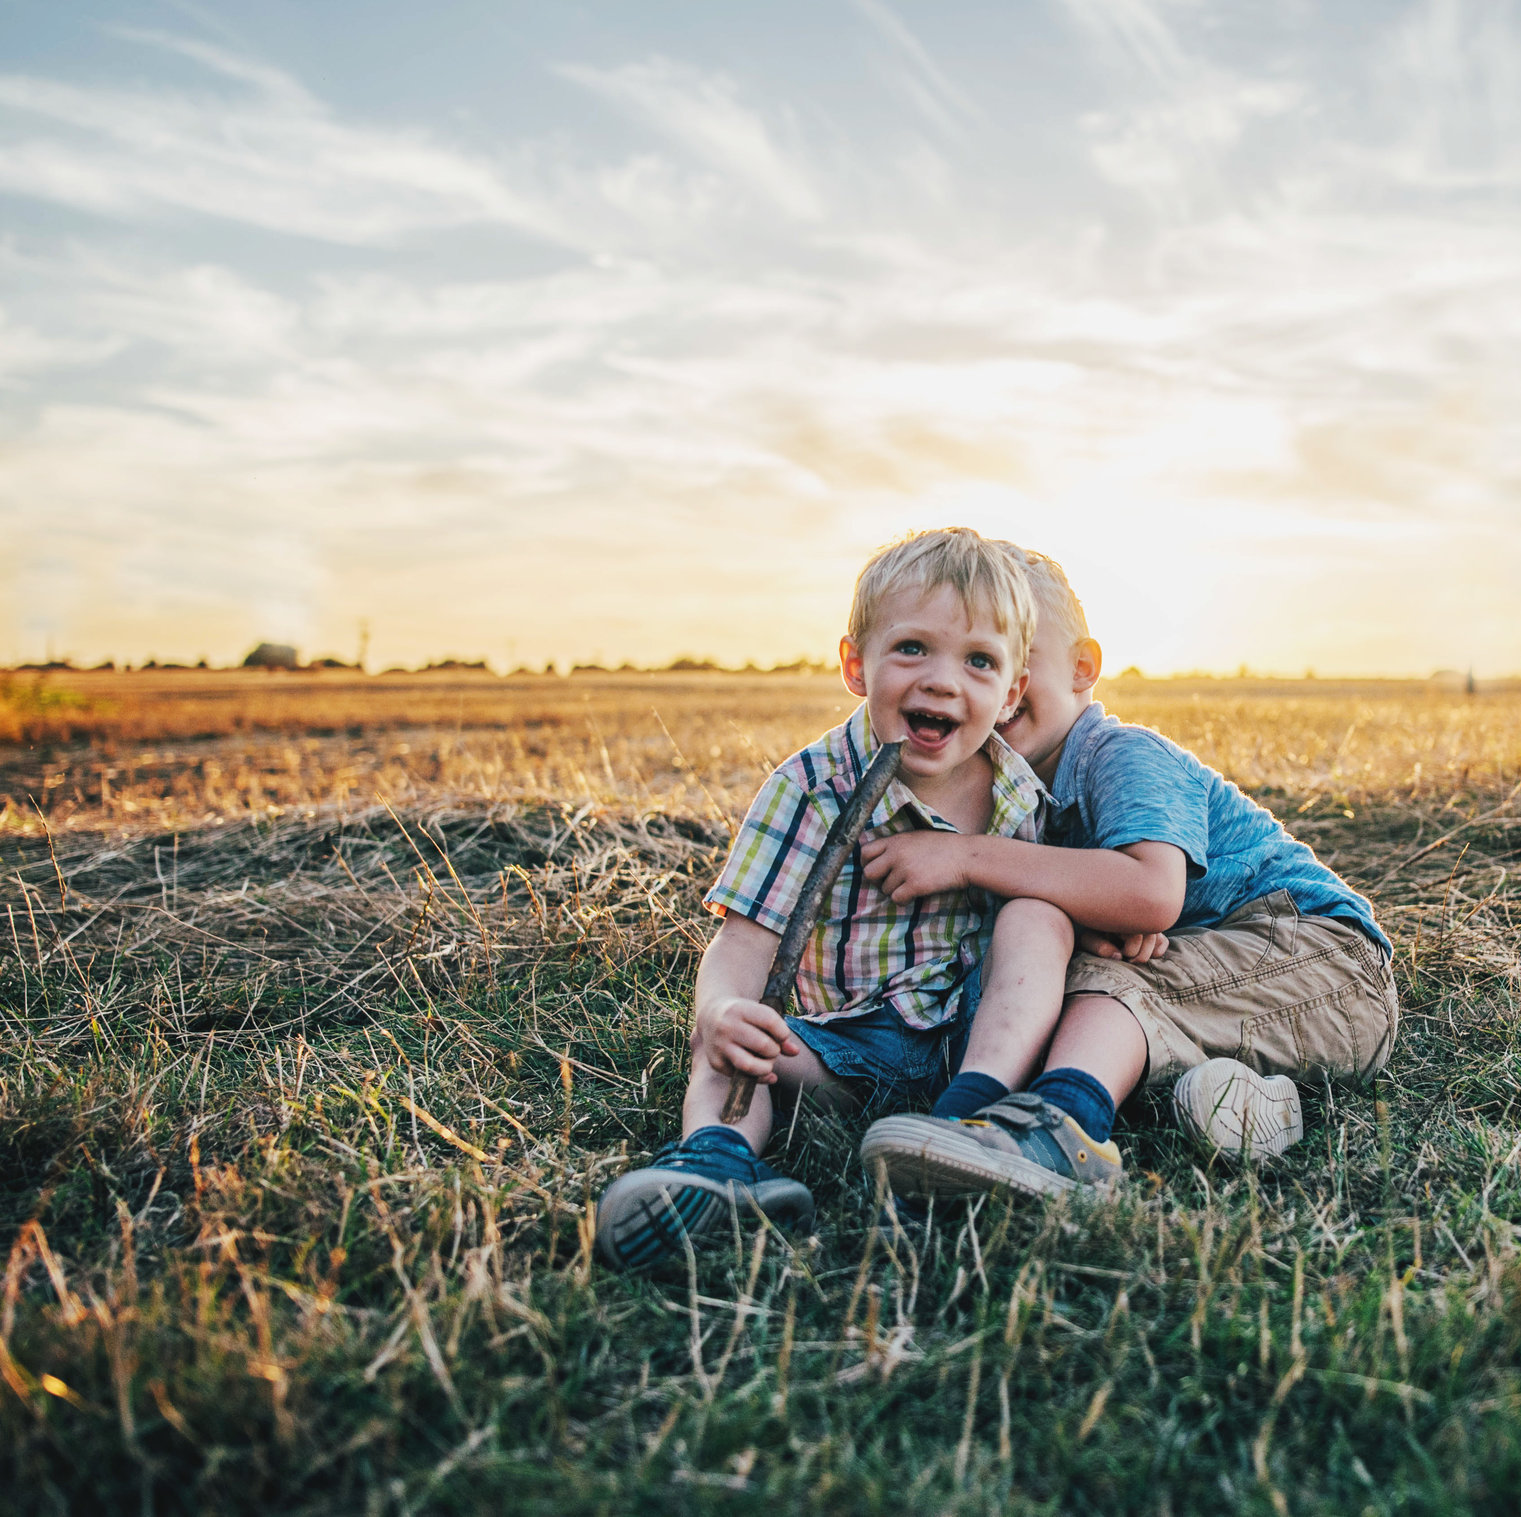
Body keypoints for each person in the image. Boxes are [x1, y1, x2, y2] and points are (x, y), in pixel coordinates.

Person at [592, 528, 1101, 1272]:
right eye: (912, 649)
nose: (941, 681)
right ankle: (717, 1163)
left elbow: (1050, 924)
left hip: (976, 1038)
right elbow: (743, 943)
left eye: (979, 661)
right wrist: (720, 1010)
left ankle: (966, 1124)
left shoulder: (1022, 793)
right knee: (738, 1039)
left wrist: (1103, 930)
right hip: (842, 1043)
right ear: (855, 665)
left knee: (1039, 912)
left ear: (1012, 690)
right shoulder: (810, 788)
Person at [857, 548, 1397, 1198]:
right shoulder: (1016, 795)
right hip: (1225, 986)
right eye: (983, 661)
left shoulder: (1120, 753)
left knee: (1104, 991)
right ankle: (1247, 1104)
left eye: (1004, 656)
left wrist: (967, 857)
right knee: (1043, 996)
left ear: (1082, 666)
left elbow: (1151, 890)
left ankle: (1059, 1128)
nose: (998, 689)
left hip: (1325, 962)